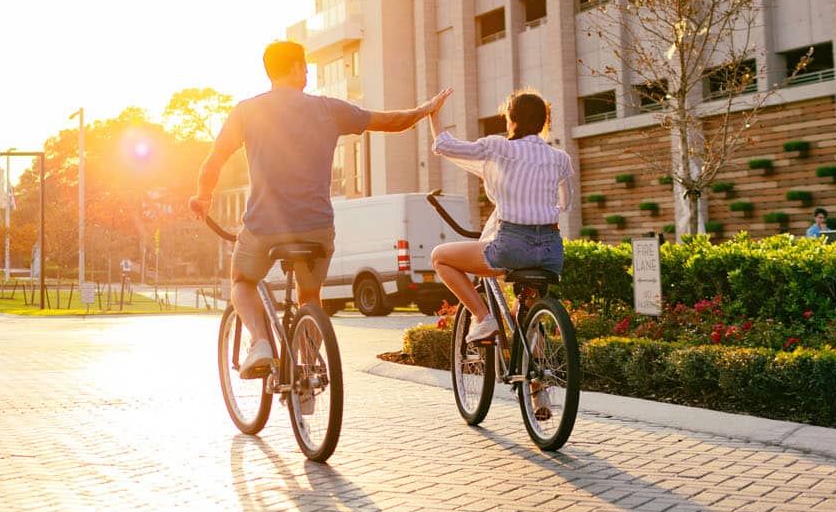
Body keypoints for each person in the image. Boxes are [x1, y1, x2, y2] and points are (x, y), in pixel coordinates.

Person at [189, 39, 449, 378]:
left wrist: (202, 198)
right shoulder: (329, 109)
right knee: (310, 294)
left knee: (242, 280)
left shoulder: (246, 111)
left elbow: (213, 163)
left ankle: (261, 343)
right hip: (317, 227)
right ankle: (309, 367)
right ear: (295, 68)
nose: (308, 72)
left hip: (263, 227)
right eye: (305, 65)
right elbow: (390, 122)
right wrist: (425, 110)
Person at [427, 88, 573, 344]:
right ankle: (537, 376)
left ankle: (483, 318)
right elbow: (565, 203)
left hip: (512, 248)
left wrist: (433, 114)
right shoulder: (560, 158)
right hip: (551, 251)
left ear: (512, 119)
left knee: (440, 257)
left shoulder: (498, 148)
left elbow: (445, 145)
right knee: (524, 312)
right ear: (543, 122)